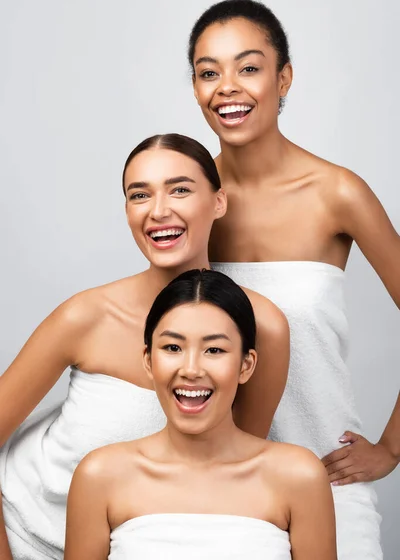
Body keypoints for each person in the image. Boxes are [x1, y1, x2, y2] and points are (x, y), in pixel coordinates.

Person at [0, 134, 289, 559]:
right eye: (140, 195)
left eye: (180, 189)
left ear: (219, 202)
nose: (159, 211)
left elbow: (228, 472)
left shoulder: (261, 327)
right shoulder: (86, 316)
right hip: (21, 529)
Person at [188, 0, 400, 559]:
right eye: (209, 72)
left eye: (249, 67)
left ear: (284, 78)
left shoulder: (337, 193)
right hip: (217, 487)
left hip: (327, 480)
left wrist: (393, 447)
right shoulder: (189, 201)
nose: (227, 87)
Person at [65, 269, 336, 560]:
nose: (191, 370)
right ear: (148, 360)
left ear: (246, 365)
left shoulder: (299, 477)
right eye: (173, 347)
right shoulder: (100, 476)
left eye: (214, 350)